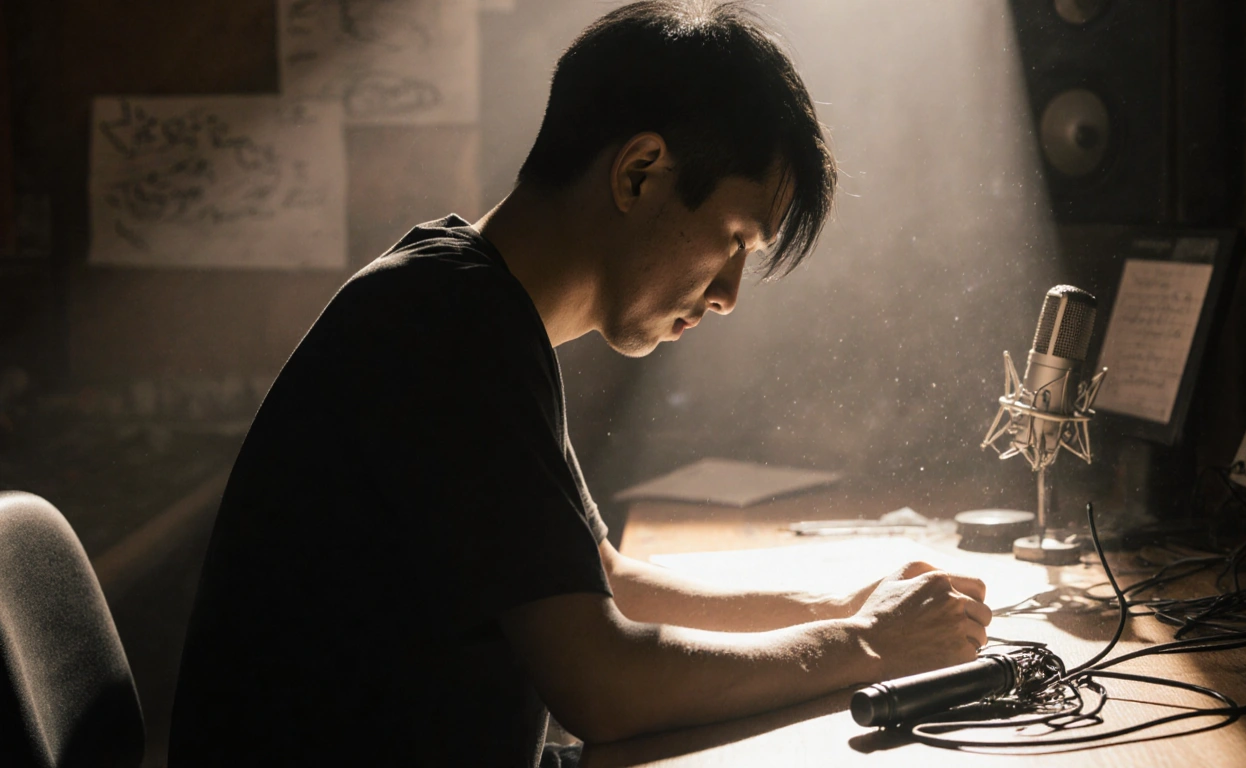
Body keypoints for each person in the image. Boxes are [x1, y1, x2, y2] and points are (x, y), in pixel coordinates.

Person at [168, 2, 992, 766]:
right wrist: (870, 648)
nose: (729, 295)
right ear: (640, 172)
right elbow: (602, 684)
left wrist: (840, 604)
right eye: (735, 239)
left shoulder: (470, 303)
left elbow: (603, 582)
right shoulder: (445, 323)